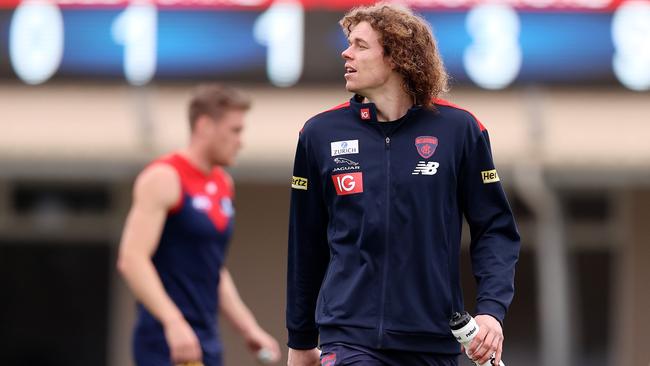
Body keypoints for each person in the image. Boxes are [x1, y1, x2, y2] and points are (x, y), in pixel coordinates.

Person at [286, 3, 520, 366]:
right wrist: (301, 341)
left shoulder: (460, 130)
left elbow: (495, 230)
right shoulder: (319, 133)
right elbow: (305, 245)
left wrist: (491, 310)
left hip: (434, 339)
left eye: (361, 46)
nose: (346, 52)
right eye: (349, 43)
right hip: (349, 337)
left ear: (397, 56)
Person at [117, 83, 281, 366]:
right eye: (235, 130)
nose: (241, 141)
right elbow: (132, 259)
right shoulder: (164, 178)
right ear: (205, 126)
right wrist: (173, 323)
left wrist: (248, 327)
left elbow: (213, 267)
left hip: (205, 338)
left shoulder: (222, 183)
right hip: (166, 340)